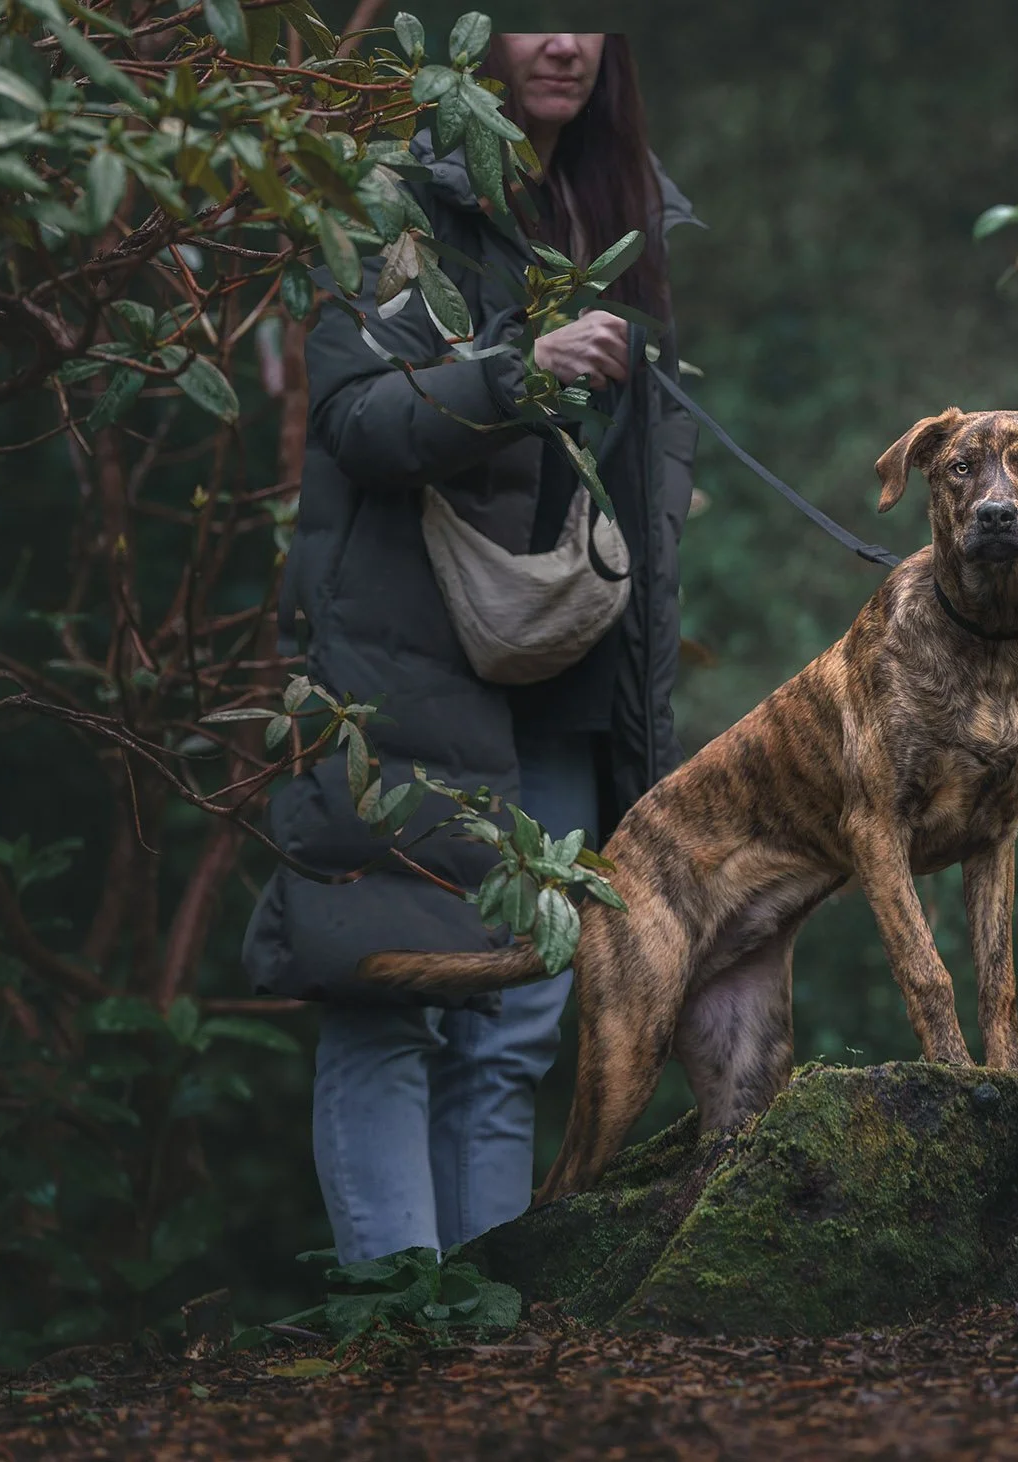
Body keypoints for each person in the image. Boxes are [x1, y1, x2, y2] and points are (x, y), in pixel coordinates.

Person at [241, 33, 702, 1263]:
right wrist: (515, 371)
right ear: (471, 36)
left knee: (513, 1030)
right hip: (409, 672)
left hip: (568, 682)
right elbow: (353, 422)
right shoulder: (396, 199)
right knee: (393, 1002)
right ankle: (400, 1321)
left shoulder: (620, 209)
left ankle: (485, 1343)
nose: (563, 38)